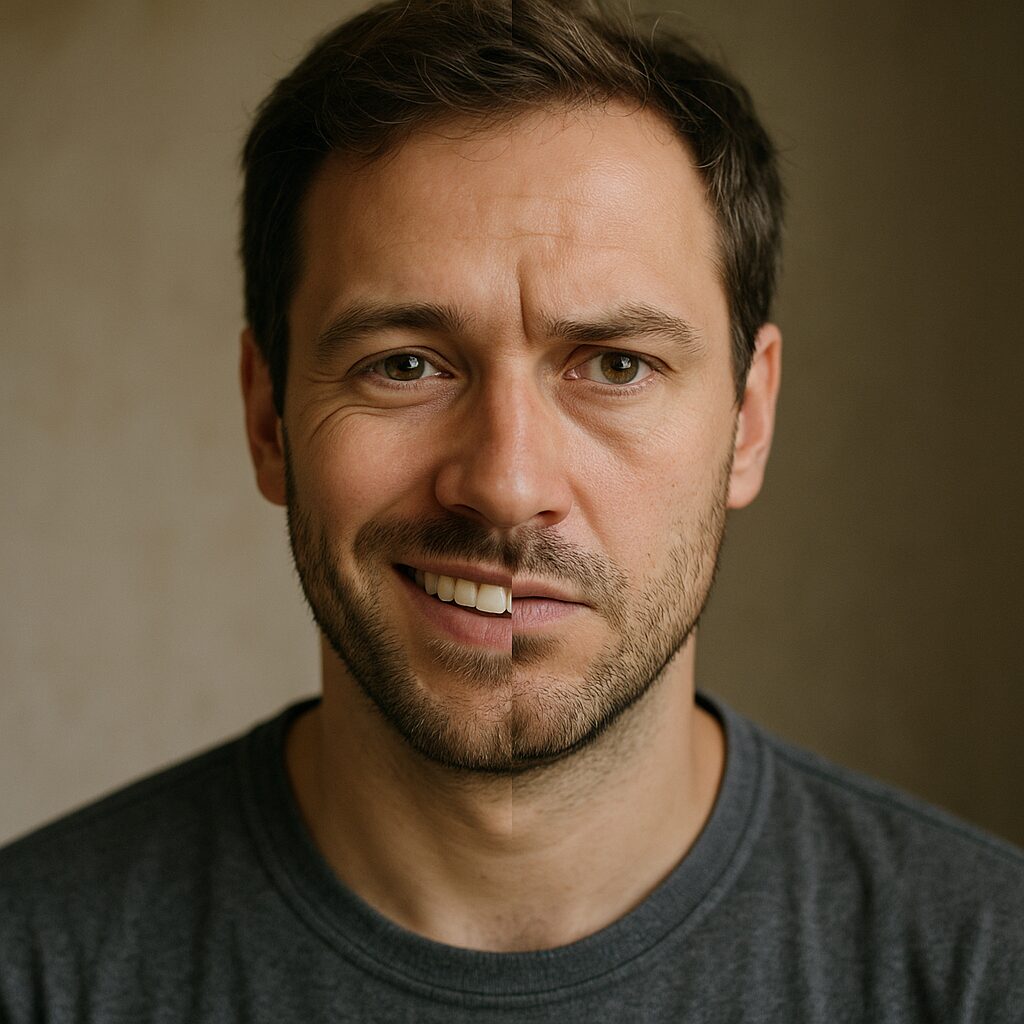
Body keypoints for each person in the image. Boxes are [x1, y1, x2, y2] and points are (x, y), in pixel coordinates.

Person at [2, 0, 1022, 1019]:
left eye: (615, 365)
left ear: (747, 420)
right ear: (267, 414)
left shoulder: (985, 967)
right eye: (404, 365)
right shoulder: (32, 969)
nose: (505, 480)